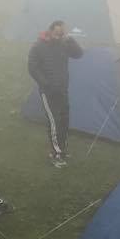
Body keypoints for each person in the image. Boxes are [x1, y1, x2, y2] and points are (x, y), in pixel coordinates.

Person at [28, 20, 83, 167]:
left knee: (64, 120)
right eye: (57, 33)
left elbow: (79, 54)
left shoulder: (64, 44)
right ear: (51, 30)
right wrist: (45, 84)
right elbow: (32, 68)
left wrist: (71, 40)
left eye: (62, 33)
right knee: (55, 122)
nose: (59, 36)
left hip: (62, 89)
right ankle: (55, 154)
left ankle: (62, 150)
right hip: (48, 92)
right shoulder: (38, 46)